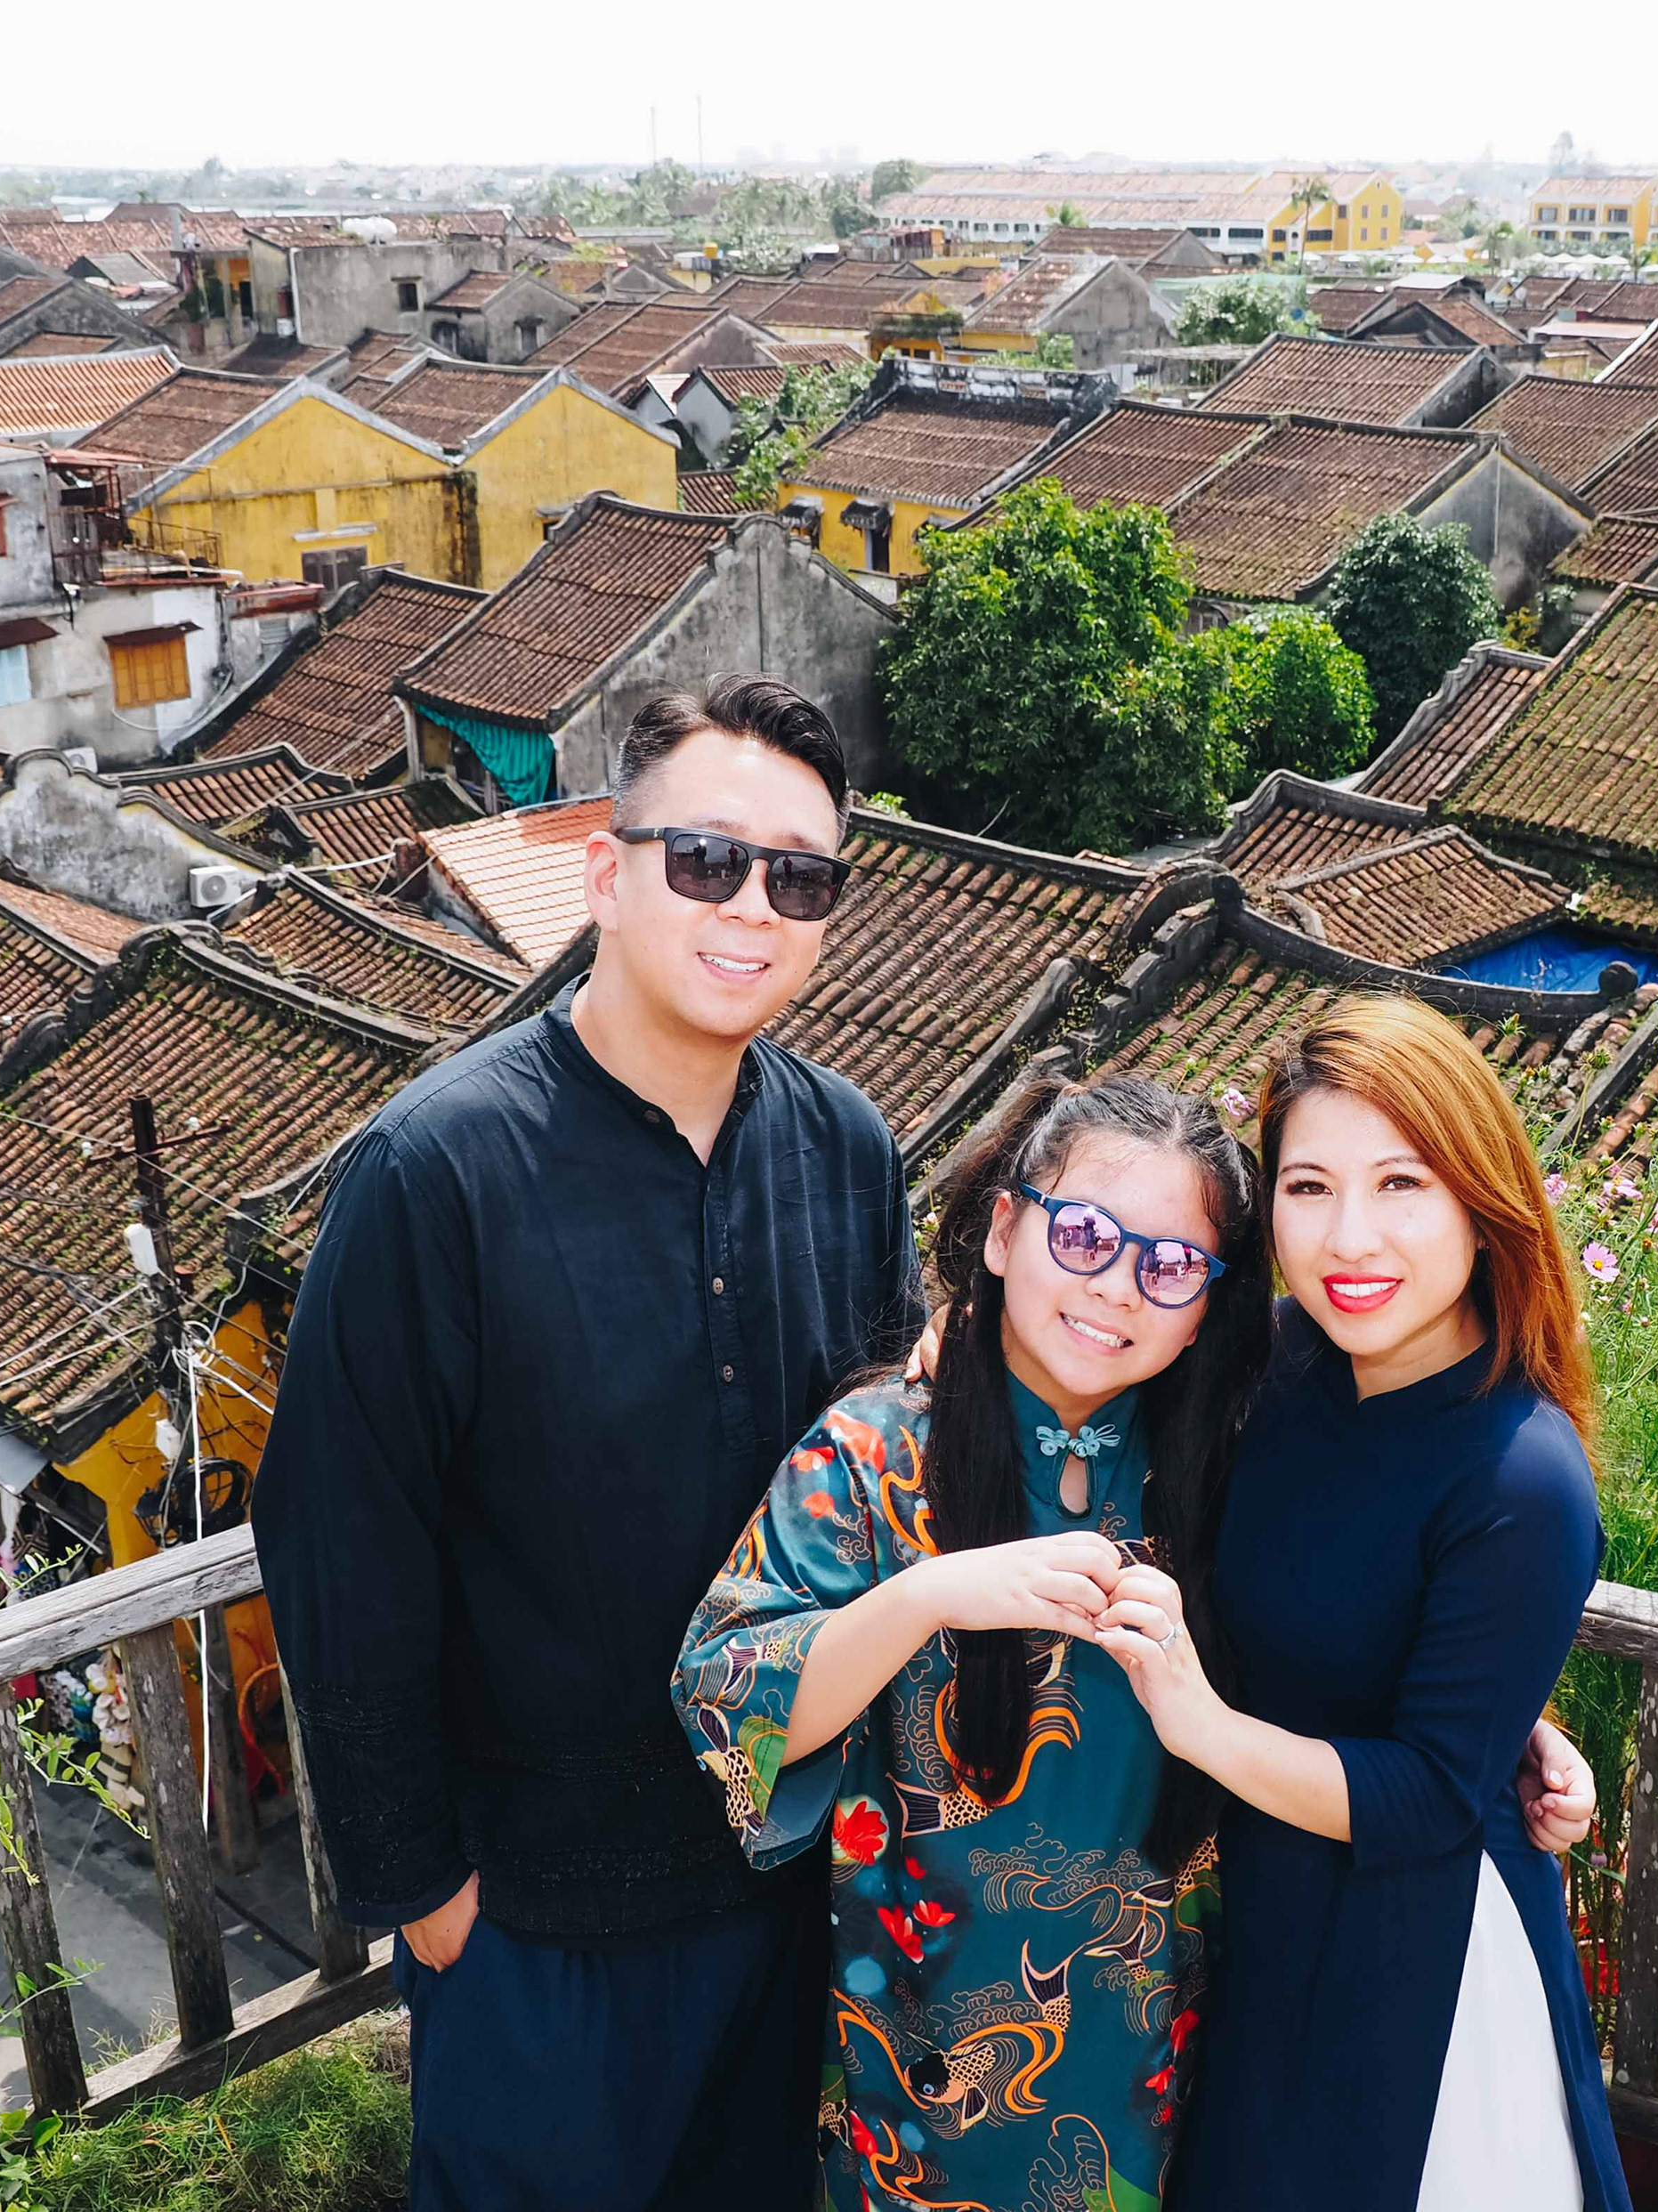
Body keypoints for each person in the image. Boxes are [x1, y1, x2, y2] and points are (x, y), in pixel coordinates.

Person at [257, 677, 919, 2212]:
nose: (753, 905)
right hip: (533, 1916)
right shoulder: (438, 1172)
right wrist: (421, 1889)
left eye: (800, 877)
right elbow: (343, 1546)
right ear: (608, 874)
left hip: (785, 1875)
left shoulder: (847, 1152)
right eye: (708, 860)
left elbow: (904, 1477)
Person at [675, 1076, 1270, 2208]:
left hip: (1175, 2019)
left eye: (1171, 1263)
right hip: (925, 2037)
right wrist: (930, 1594)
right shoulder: (872, 1451)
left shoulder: (1227, 1456)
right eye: (1086, 1235)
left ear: (1208, 1301)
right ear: (1006, 1229)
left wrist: (1508, 1730)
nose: (1116, 1289)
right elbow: (724, 1690)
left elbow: (1345, 1626)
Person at [1127, 996, 1633, 2212]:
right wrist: (961, 1350)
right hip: (1263, 1903)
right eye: (1308, 1188)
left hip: (1412, 1952)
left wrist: (1198, 1723)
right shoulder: (1280, 1358)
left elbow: (1423, 1798)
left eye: (1401, 1184)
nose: (1351, 1237)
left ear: (1481, 1196)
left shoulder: (1521, 1475)